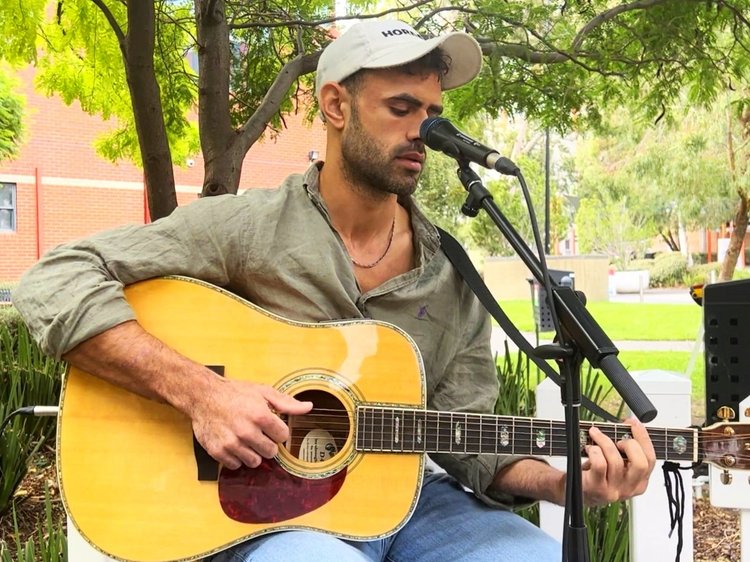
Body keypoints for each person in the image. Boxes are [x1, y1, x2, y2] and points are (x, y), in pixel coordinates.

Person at [13, 19, 656, 562]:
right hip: (263, 513)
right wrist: (203, 393)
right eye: (402, 108)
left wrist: (569, 481)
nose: (424, 133)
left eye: (433, 115)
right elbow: (55, 278)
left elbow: (476, 443)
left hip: (410, 503)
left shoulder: (451, 273)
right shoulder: (250, 226)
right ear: (336, 107)